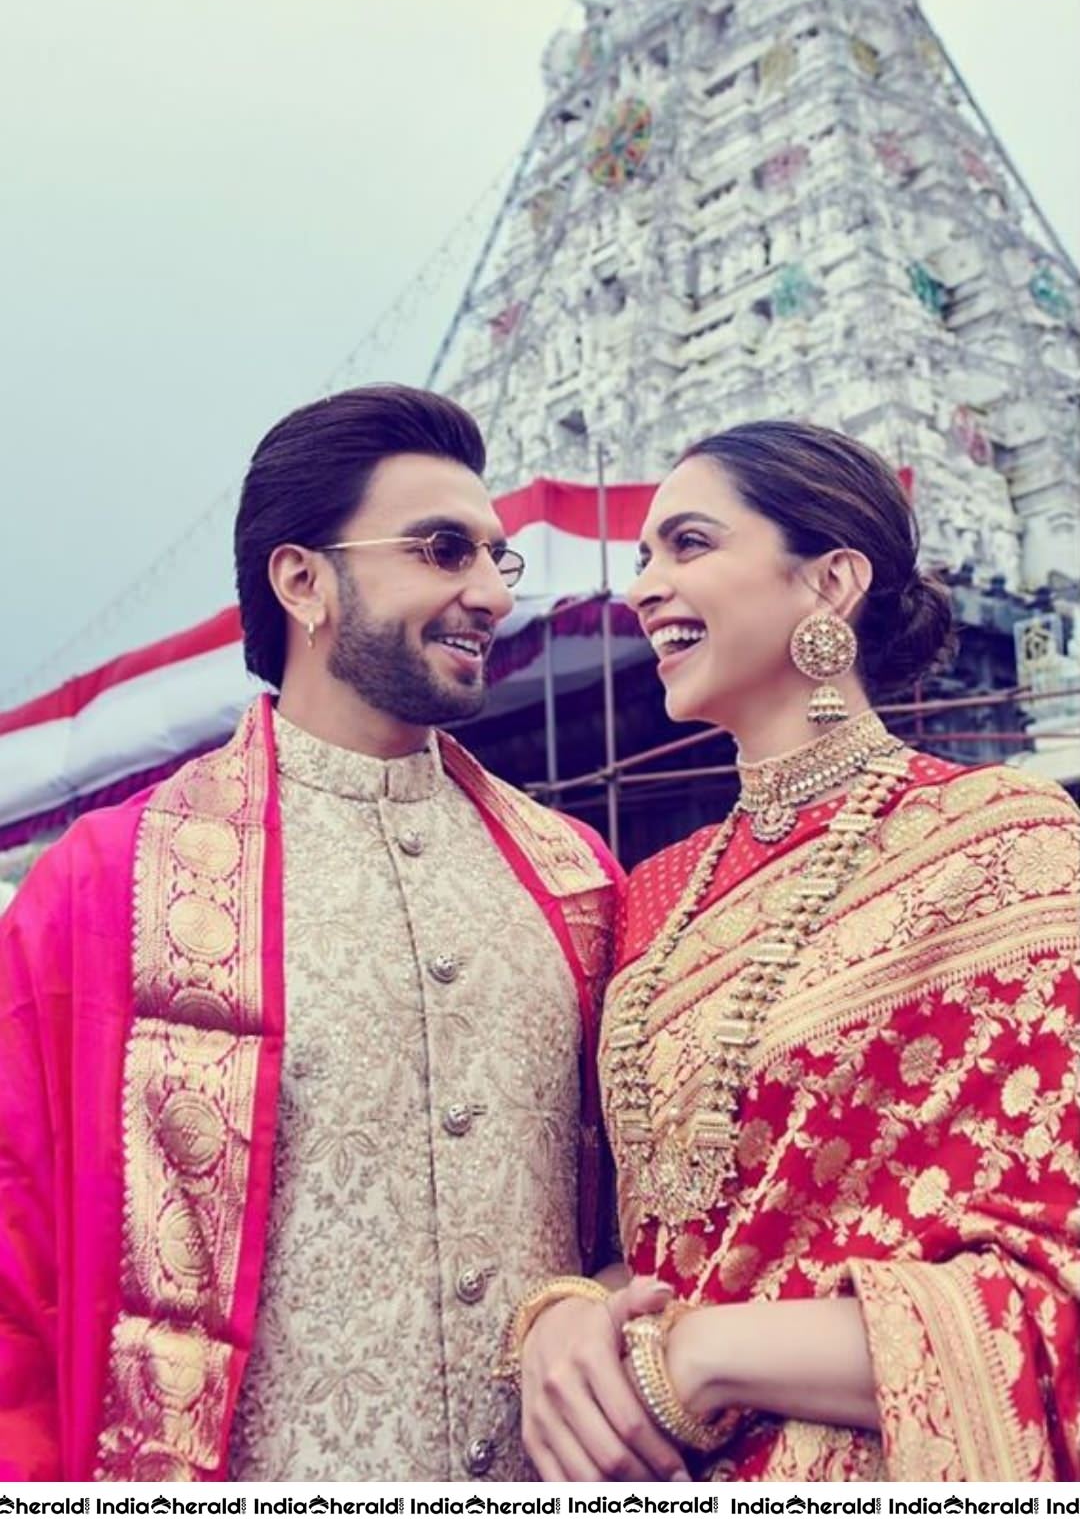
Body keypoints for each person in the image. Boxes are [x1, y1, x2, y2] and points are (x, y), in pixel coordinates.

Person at [0, 384, 681, 1483]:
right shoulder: (110, 884)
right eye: (441, 549)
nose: (488, 595)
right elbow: (15, 1263)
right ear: (303, 580)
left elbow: (652, 1212)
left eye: (495, 560)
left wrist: (594, 1301)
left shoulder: (574, 880)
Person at [513, 421, 1079, 1482]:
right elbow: (625, 1235)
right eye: (643, 559)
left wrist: (713, 1353)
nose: (646, 588)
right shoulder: (646, 899)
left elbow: (1057, 1292)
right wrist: (562, 1322)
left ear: (831, 583)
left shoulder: (1007, 841)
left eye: (688, 544)